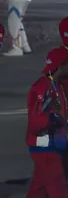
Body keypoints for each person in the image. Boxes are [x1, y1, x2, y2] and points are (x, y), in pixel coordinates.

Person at [26, 47, 68, 198]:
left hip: (53, 146)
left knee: (39, 190)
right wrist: (53, 118)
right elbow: (35, 123)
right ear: (62, 66)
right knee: (59, 191)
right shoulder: (43, 88)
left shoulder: (57, 84)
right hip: (46, 148)